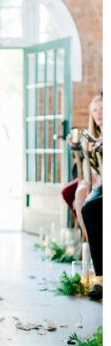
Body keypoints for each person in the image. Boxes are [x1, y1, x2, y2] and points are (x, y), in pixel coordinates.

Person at [74, 93, 102, 299]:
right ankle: (100, 276)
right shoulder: (94, 135)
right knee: (87, 206)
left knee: (89, 206)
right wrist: (78, 148)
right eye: (95, 111)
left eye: (102, 110)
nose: (99, 114)